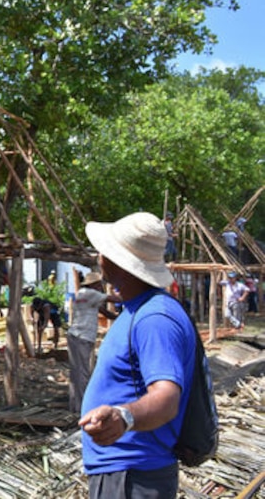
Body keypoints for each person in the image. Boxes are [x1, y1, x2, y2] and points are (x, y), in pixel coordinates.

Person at [79, 212, 196, 499]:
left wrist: (123, 417)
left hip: (132, 476)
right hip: (124, 472)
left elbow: (167, 398)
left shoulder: (155, 318)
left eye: (104, 251)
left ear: (117, 262)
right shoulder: (138, 311)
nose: (99, 256)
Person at [67, 272, 118, 413]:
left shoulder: (83, 293)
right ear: (95, 284)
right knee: (83, 373)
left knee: (76, 373)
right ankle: (83, 407)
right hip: (82, 336)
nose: (101, 286)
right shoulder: (91, 293)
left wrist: (116, 317)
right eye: (100, 284)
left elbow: (103, 311)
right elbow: (114, 299)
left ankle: (75, 405)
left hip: (76, 335)